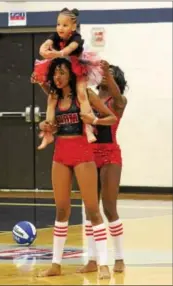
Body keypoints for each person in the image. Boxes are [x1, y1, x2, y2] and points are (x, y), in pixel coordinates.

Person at [36, 57, 117, 279]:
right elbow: (49, 125)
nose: (58, 77)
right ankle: (55, 264)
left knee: (92, 210)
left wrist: (95, 121)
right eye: (55, 73)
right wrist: (44, 125)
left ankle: (102, 264)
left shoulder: (86, 95)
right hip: (60, 155)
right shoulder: (53, 97)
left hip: (82, 154)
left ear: (71, 74)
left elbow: (112, 117)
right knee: (61, 210)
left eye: (62, 72)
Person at [78, 61, 128, 274]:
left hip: (110, 155)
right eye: (102, 75)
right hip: (89, 155)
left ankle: (119, 258)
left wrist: (107, 72)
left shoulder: (118, 101)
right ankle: (91, 259)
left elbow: (117, 97)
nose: (105, 78)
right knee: (90, 209)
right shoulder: (90, 97)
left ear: (116, 80)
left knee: (109, 207)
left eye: (109, 75)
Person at [33, 8, 103, 148]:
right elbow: (43, 47)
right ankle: (48, 133)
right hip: (61, 64)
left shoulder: (76, 38)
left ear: (73, 26)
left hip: (77, 66)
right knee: (52, 97)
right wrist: (44, 50)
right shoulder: (55, 36)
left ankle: (88, 127)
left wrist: (57, 53)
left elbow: (68, 50)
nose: (60, 28)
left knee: (82, 93)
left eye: (65, 25)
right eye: (58, 24)